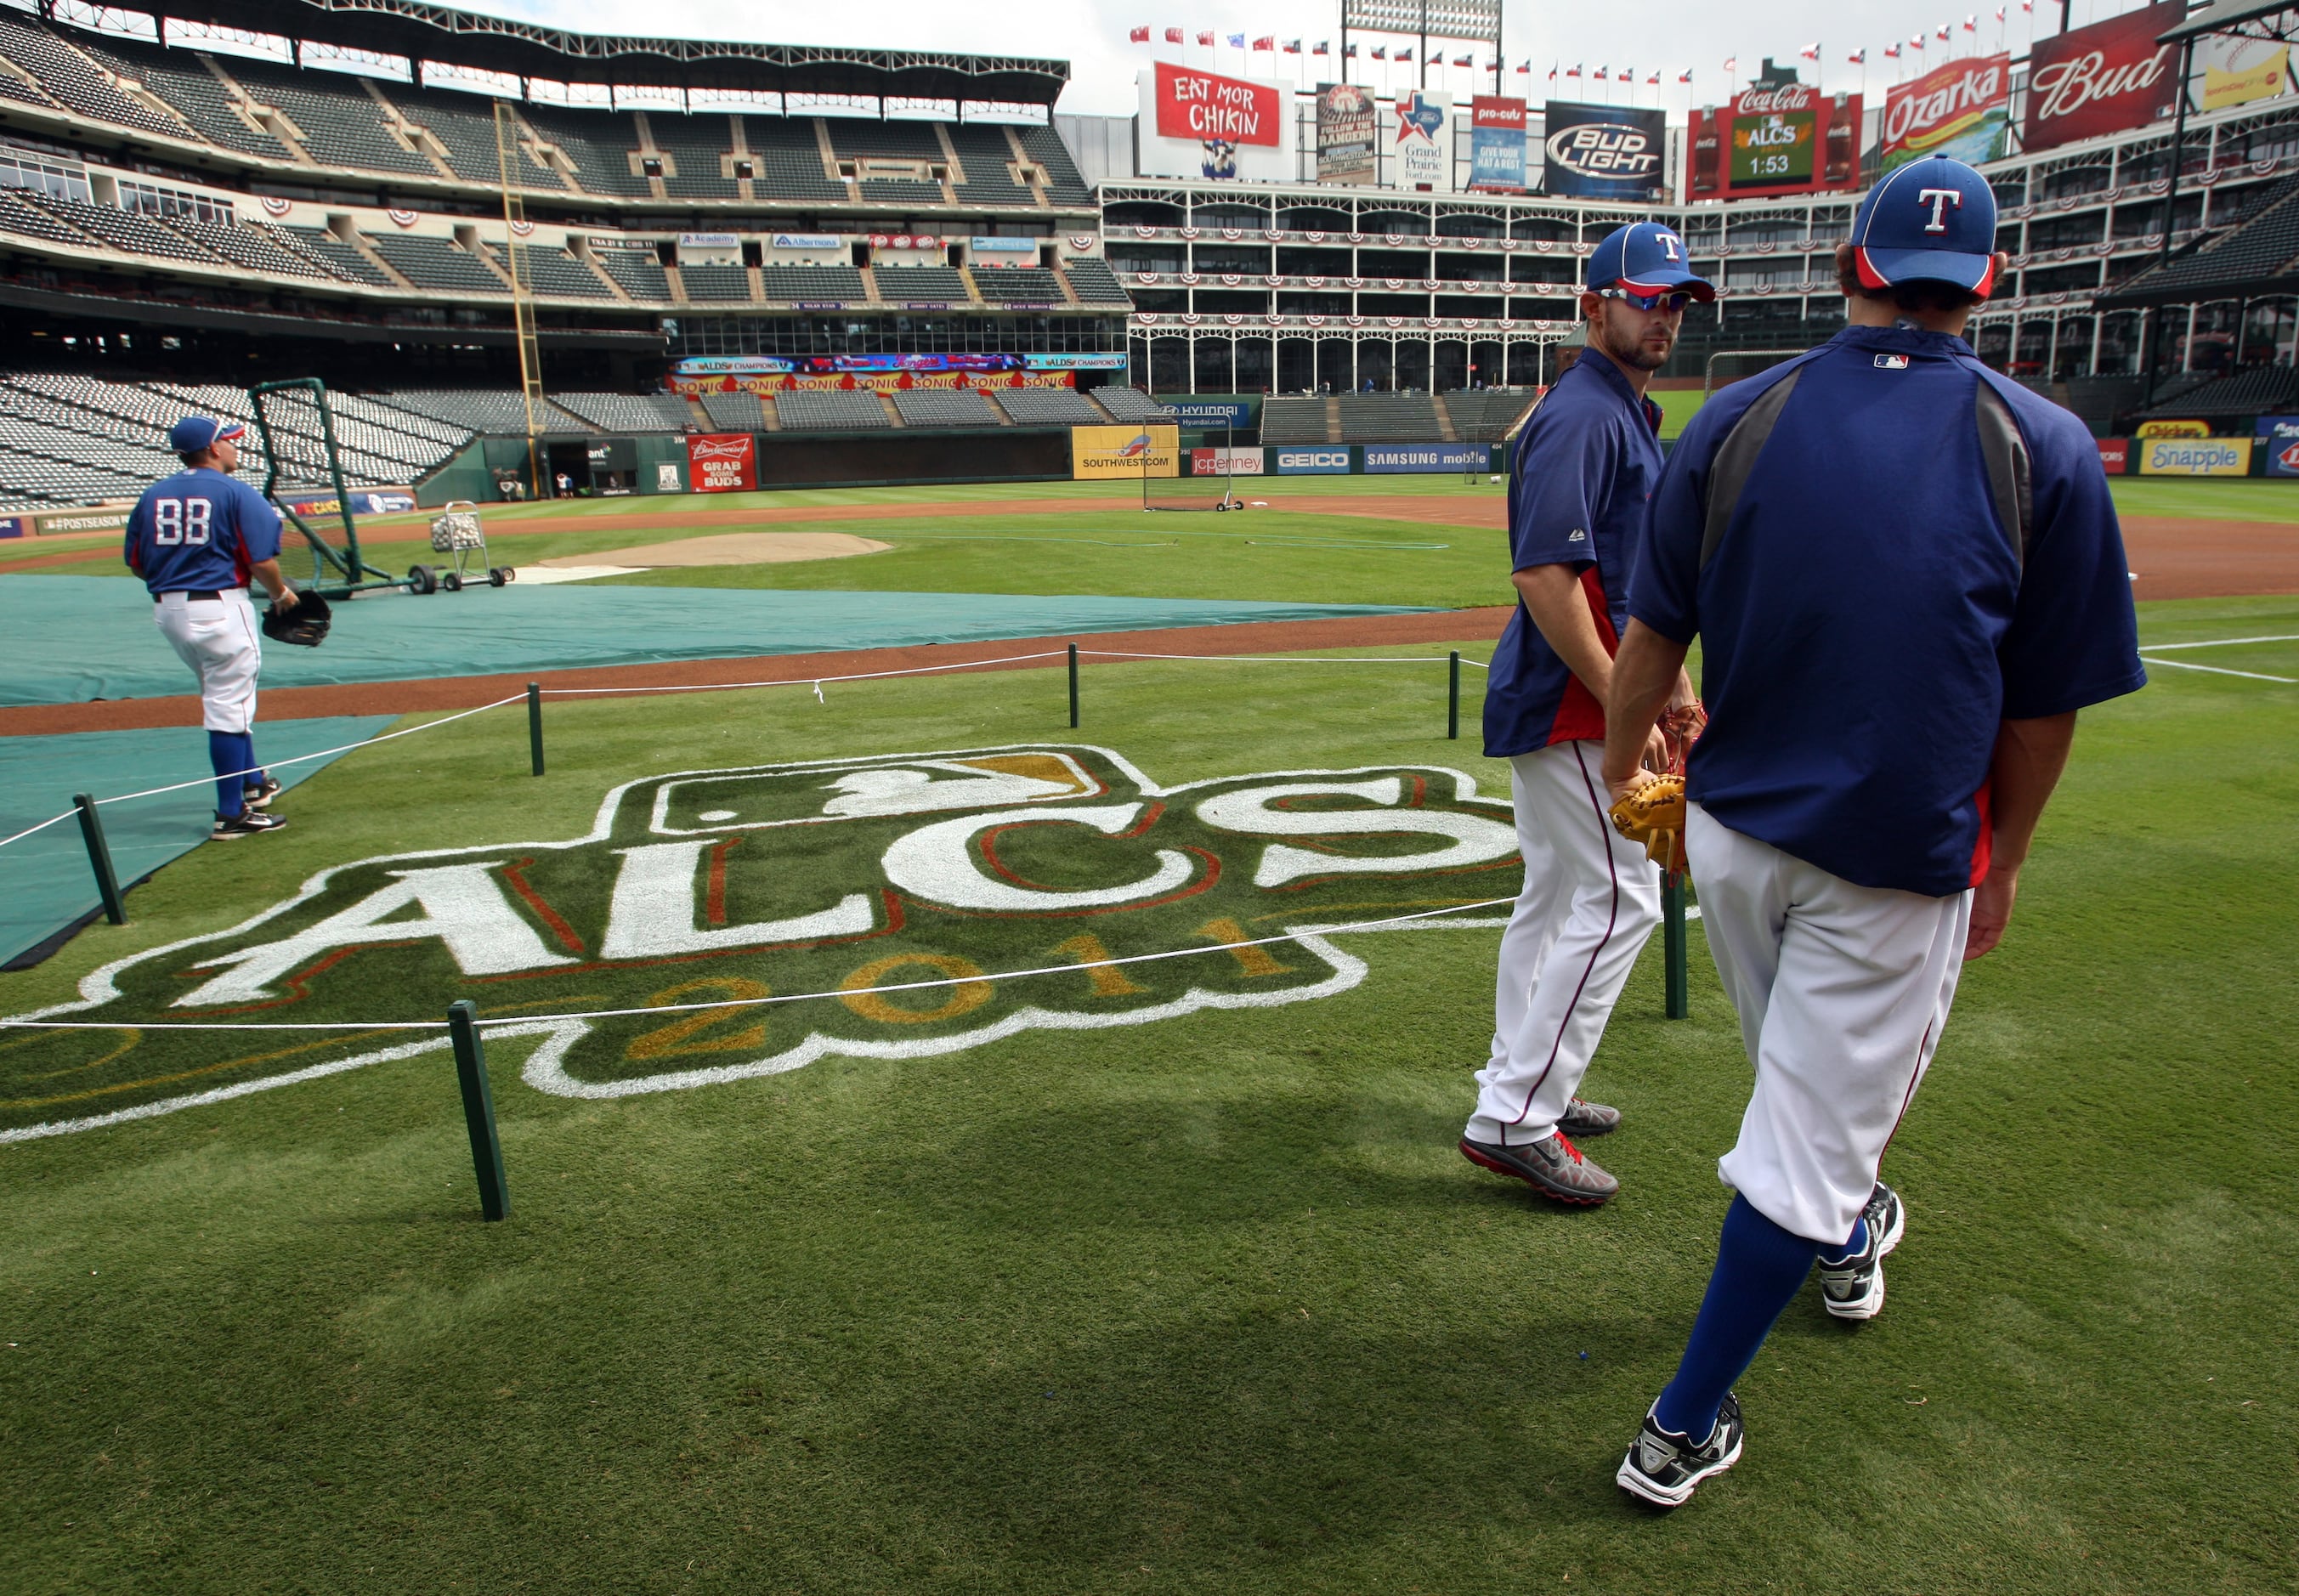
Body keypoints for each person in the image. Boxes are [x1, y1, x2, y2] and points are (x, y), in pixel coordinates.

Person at [1601, 155, 2145, 1508]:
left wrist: (1627, 782)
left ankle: (1845, 1237)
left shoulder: (1734, 414)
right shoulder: (2045, 442)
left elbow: (1649, 636)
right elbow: (2039, 710)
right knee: (1804, 1135)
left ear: (1852, 264)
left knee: (1804, 1094)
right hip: (1895, 858)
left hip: (1730, 836)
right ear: (1989, 283)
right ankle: (1679, 1427)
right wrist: (2005, 855)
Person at [1458, 222, 1709, 1206]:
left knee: (1560, 897)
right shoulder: (1582, 412)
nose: (1664, 315)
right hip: (1573, 699)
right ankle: (1517, 1114)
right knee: (1620, 900)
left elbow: (1627, 576)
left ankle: (1515, 1083)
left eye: (1676, 301)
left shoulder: (1620, 410)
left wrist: (1670, 679)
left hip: (1575, 693)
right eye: (1646, 297)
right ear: (1592, 301)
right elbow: (1545, 576)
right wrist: (1625, 699)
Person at [124, 416, 303, 840]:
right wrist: (281, 596)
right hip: (220, 608)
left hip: (169, 613)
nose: (234, 447)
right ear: (213, 448)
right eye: (229, 441)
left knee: (225, 697)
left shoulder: (152, 495)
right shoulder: (236, 492)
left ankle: (253, 781)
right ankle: (231, 814)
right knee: (228, 706)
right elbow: (261, 560)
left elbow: (136, 563)